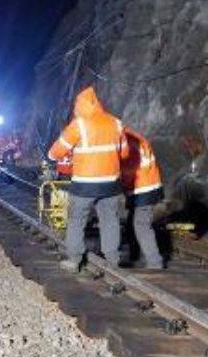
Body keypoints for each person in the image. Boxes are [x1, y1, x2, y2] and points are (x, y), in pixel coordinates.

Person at [45, 86, 125, 271]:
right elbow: (125, 152)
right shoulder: (115, 123)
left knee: (76, 219)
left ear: (79, 105)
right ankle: (113, 260)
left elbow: (58, 150)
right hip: (110, 183)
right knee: (109, 220)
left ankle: (74, 260)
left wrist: (50, 157)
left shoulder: (79, 124)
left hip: (85, 184)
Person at [119, 127, 165, 270]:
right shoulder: (136, 138)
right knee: (132, 223)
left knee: (141, 225)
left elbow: (128, 171)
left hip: (142, 188)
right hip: (148, 186)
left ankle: (155, 262)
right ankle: (133, 256)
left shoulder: (128, 144)